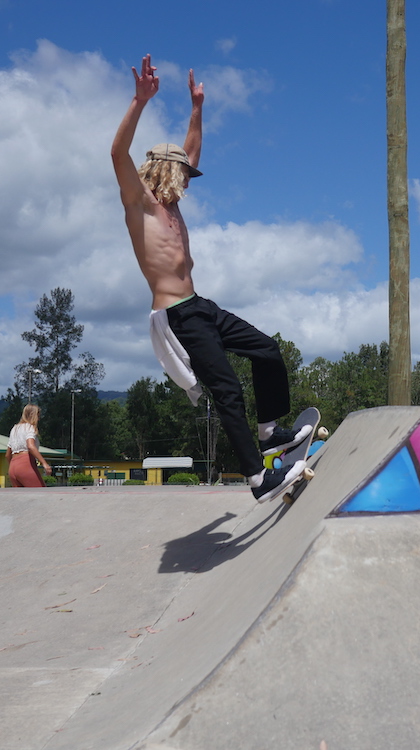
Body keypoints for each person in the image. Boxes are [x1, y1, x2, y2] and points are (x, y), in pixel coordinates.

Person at [111, 54, 309, 502]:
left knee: (267, 349)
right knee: (228, 392)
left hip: (201, 306)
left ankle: (272, 431)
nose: (187, 180)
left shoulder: (173, 205)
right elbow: (116, 153)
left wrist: (197, 107)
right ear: (164, 171)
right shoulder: (138, 202)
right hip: (177, 315)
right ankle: (259, 480)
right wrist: (139, 102)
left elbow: (193, 151)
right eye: (181, 173)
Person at [6, 404, 51, 487]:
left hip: (13, 466)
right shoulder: (29, 427)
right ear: (33, 415)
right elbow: (30, 446)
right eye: (38, 416)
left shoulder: (15, 429)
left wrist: (14, 466)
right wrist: (44, 463)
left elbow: (7, 454)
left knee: (20, 498)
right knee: (41, 494)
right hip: (26, 464)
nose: (39, 419)